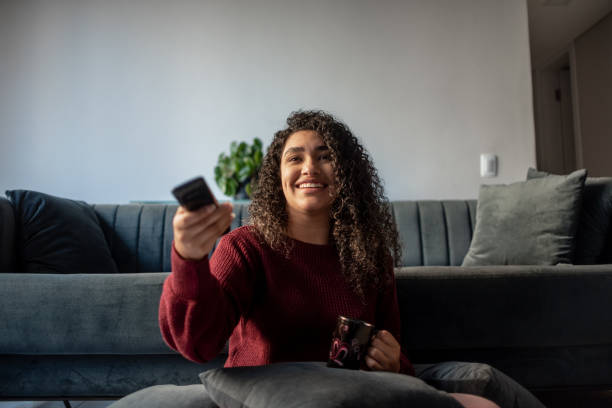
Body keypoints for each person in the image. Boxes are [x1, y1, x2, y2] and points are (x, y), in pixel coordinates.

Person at [159, 110, 500, 408]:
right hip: (264, 399)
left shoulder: (371, 256)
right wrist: (189, 258)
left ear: (346, 173)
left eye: (325, 156)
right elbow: (196, 345)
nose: (310, 168)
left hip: (351, 398)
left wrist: (394, 363)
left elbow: (396, 355)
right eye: (295, 158)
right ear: (277, 178)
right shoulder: (245, 247)